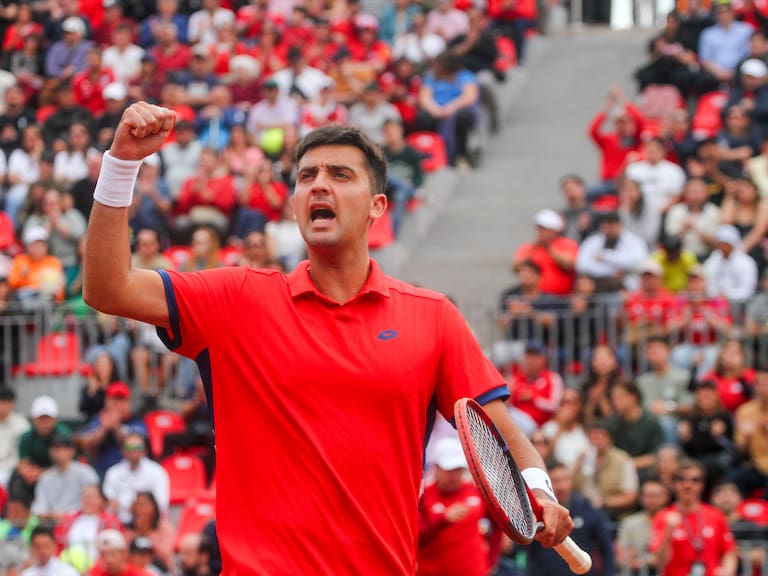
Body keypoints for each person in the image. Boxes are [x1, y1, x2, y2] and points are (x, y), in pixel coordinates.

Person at [82, 103, 574, 574]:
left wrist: (540, 490)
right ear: (295, 204)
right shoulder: (235, 298)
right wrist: (121, 165)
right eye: (306, 177)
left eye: (341, 175)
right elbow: (108, 287)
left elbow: (504, 435)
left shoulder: (434, 317)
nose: (319, 185)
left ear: (377, 206)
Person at [648, 459, 738, 576]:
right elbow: (660, 562)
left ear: (702, 485)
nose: (688, 485)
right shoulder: (663, 517)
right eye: (681, 479)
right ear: (674, 484)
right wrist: (668, 533)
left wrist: (727, 571)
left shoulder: (715, 515)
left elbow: (729, 552)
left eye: (695, 480)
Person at [526, 462, 615, 576]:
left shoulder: (588, 509)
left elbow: (606, 548)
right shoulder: (533, 513)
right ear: (545, 485)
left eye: (565, 479)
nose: (562, 486)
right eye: (556, 481)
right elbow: (517, 548)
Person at [417, 437, 490, 576]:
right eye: (449, 469)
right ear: (436, 467)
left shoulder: (475, 491)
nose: (454, 475)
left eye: (458, 469)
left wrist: (491, 560)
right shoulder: (423, 496)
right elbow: (414, 538)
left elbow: (497, 526)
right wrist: (442, 520)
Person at [102, 433, 169, 525]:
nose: (133, 450)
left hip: (148, 523)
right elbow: (108, 502)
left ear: (145, 450)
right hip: (117, 522)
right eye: (129, 447)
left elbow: (161, 503)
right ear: (123, 450)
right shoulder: (113, 472)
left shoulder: (157, 472)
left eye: (138, 447)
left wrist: (138, 507)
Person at [30, 433, 99, 522]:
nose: (54, 451)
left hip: (78, 522)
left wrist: (67, 515)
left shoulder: (86, 473)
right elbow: (39, 505)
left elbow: (92, 503)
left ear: (71, 451)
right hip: (50, 523)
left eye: (59, 447)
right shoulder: (45, 477)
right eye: (52, 447)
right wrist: (46, 514)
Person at [575, 211, 648, 293]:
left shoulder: (633, 241)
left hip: (625, 284)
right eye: (607, 225)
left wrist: (605, 256)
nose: (610, 229)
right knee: (584, 284)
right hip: (597, 284)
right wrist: (611, 272)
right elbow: (581, 265)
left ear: (620, 225)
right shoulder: (592, 241)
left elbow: (638, 261)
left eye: (613, 224)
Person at [513, 209, 579, 296]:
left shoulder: (567, 244)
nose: (541, 232)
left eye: (544, 229)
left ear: (555, 230)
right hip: (535, 299)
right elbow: (516, 268)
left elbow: (570, 264)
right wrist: (534, 248)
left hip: (561, 299)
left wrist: (548, 248)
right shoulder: (528, 247)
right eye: (539, 228)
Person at [616, 479, 671, 576]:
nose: (652, 500)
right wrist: (650, 560)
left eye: (656, 496)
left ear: (666, 497)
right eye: (648, 496)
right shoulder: (630, 523)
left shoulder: (672, 521)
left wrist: (641, 560)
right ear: (641, 498)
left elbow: (669, 558)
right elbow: (622, 557)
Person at [730, 367, 768, 498]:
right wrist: (746, 438)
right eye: (760, 383)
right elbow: (740, 449)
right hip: (756, 465)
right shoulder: (745, 411)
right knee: (732, 479)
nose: (763, 388)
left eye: (766, 383)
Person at [703, 224, 758, 302]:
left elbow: (747, 290)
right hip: (715, 302)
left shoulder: (746, 262)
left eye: (725, 244)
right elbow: (707, 282)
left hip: (740, 303)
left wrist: (727, 295)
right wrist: (716, 295)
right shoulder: (713, 260)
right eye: (720, 243)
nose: (722, 246)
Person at [0, 387, 30, 488]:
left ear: (13, 403)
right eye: (1, 402)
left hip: (12, 468)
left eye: (6, 402)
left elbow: (24, 452)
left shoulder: (21, 423)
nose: (3, 406)